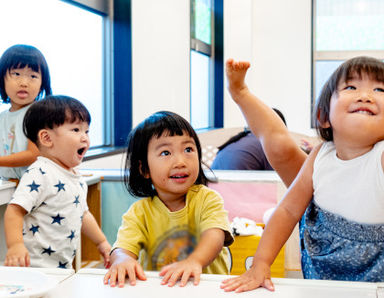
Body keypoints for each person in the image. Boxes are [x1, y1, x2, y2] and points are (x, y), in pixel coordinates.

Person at [221, 56, 384, 292]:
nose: (365, 95)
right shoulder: (320, 155)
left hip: (375, 272)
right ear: (323, 117)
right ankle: (240, 91)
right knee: (279, 146)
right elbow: (287, 210)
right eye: (350, 87)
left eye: (380, 89)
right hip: (322, 262)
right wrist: (260, 264)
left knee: (282, 148)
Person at [103, 111, 234, 288]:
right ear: (144, 169)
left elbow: (215, 236)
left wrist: (194, 261)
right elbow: (122, 247)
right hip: (163, 289)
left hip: (206, 288)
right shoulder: (140, 211)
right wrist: (122, 260)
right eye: (166, 153)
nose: (180, 161)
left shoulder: (206, 199)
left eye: (188, 149)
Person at [4, 95, 111, 269]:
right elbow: (14, 210)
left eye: (86, 131)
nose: (85, 137)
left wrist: (101, 242)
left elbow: (83, 214)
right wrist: (15, 245)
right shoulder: (40, 172)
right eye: (76, 130)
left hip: (62, 267)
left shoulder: (76, 177)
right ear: (46, 138)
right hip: (35, 267)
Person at [0, 44, 52, 180]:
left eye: (33, 76)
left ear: (42, 83)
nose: (24, 82)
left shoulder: (38, 113)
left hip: (36, 189)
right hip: (10, 186)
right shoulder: (2, 117)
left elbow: (34, 154)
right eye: (16, 74)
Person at [211, 108, 286, 170]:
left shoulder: (243, 139)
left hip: (213, 185)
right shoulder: (266, 144)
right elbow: (279, 177)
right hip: (236, 185)